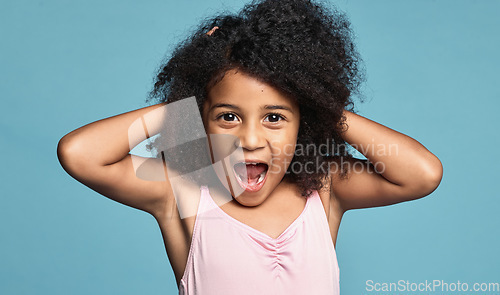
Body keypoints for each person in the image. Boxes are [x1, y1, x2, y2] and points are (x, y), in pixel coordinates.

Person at [57, 0, 443, 294]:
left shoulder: (325, 187)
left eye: (274, 117)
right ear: (198, 119)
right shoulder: (184, 189)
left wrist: (320, 102)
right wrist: (187, 97)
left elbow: (422, 174)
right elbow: (80, 153)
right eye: (227, 117)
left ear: (303, 123)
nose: (251, 140)